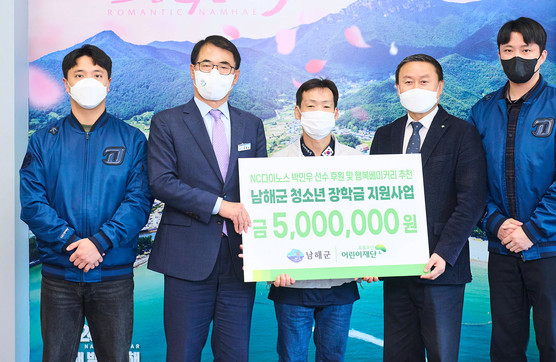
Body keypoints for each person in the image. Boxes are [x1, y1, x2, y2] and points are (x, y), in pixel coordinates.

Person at [468, 17, 556, 362]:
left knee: (553, 343)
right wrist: (495, 223)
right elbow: (471, 180)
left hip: (552, 247)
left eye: (526, 50)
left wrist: (533, 231)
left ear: (542, 56)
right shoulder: (482, 111)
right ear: (499, 54)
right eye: (508, 50)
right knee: (505, 346)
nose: (517, 57)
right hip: (503, 246)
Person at [20, 44, 152, 362]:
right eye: (79, 75)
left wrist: (99, 242)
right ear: (66, 84)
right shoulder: (43, 140)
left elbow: (139, 201)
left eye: (97, 74)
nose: (88, 81)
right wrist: (70, 241)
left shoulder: (132, 139)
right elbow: (33, 203)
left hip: (113, 276)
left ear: (108, 82)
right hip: (59, 276)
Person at [146, 35, 267, 361]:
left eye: (224, 67)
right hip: (187, 259)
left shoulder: (251, 125)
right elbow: (161, 182)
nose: (215, 73)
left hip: (239, 259)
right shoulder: (167, 122)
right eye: (207, 65)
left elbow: (262, 189)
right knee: (183, 353)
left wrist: (268, 251)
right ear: (192, 70)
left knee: (235, 354)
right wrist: (220, 206)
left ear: (235, 75)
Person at [370, 54, 487, 362]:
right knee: (398, 355)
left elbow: (472, 200)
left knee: (441, 355)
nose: (416, 88)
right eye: (408, 82)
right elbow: (373, 199)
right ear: (397, 88)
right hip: (396, 269)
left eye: (424, 81)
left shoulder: (463, 133)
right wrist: (372, 254)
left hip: (442, 268)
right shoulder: (384, 135)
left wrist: (445, 253)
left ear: (440, 87)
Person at [268, 78, 374, 362]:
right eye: (311, 106)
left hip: (340, 283)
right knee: (291, 357)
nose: (318, 112)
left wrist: (374, 260)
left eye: (326, 106)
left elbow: (368, 219)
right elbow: (265, 224)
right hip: (291, 284)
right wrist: (269, 265)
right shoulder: (274, 165)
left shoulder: (359, 163)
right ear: (297, 112)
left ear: (336, 113)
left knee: (333, 357)